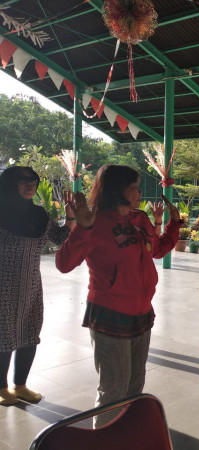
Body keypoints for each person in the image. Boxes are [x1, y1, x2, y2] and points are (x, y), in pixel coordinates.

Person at [55, 164, 181, 427]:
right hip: (109, 313)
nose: (138, 193)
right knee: (114, 388)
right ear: (116, 190)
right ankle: (105, 441)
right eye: (133, 187)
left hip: (142, 313)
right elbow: (64, 264)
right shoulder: (94, 221)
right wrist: (82, 227)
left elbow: (156, 250)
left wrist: (173, 225)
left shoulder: (140, 219)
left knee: (135, 386)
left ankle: (127, 436)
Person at [0, 166, 73, 406]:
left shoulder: (39, 215)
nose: (30, 184)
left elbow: (59, 239)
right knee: (3, 337)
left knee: (29, 334)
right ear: (10, 184)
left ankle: (20, 385)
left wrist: (70, 216)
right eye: (23, 181)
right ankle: (1, 388)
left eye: (33, 180)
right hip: (2, 287)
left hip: (31, 285)